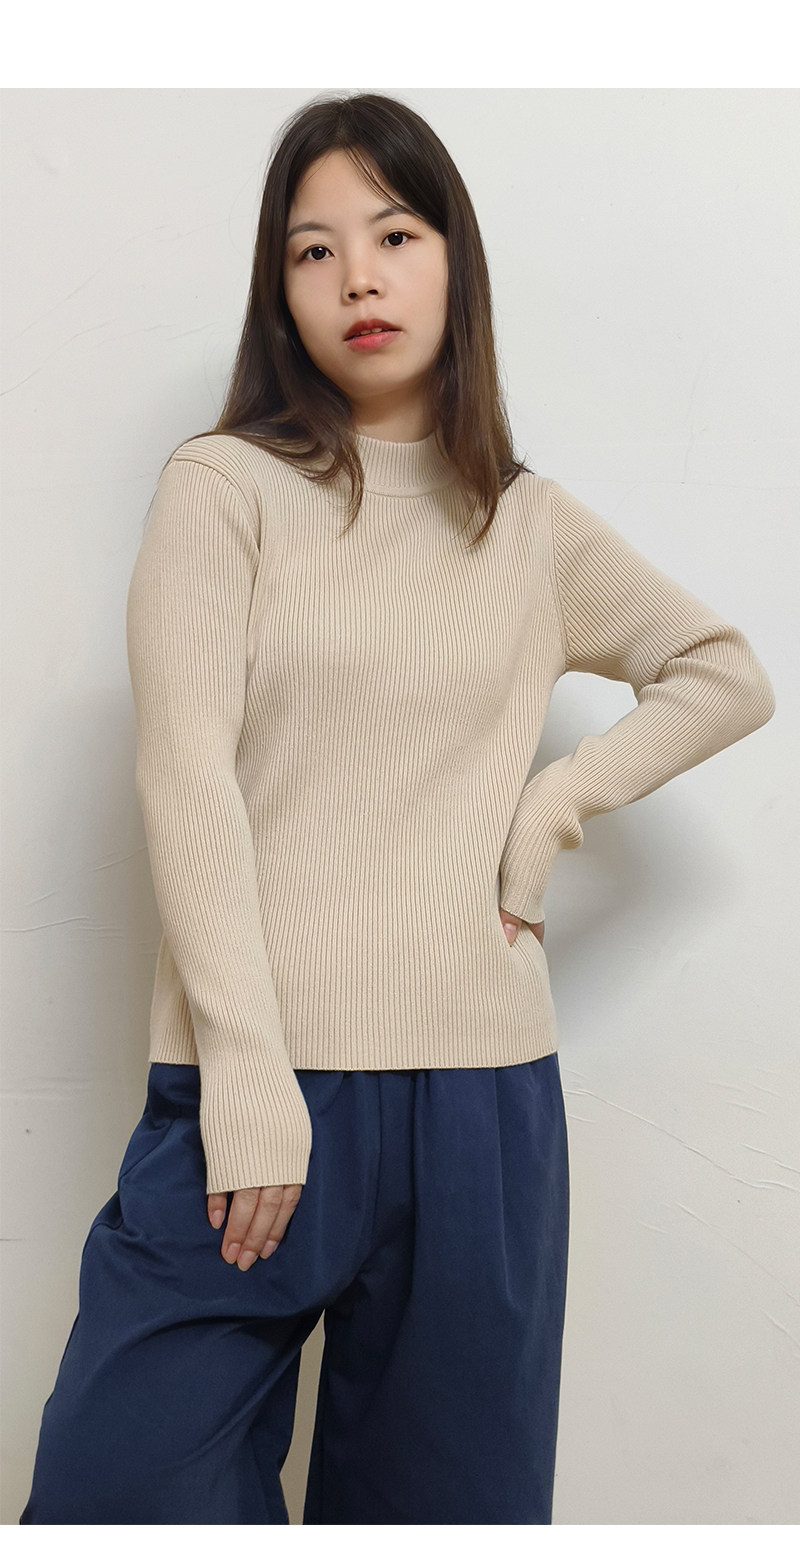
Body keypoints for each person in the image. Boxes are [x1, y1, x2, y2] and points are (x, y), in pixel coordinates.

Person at [19, 91, 775, 1527]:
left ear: (453, 262)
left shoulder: (530, 525)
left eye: (394, 233)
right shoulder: (224, 489)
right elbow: (187, 778)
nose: (357, 276)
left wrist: (553, 808)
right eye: (313, 250)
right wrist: (248, 1069)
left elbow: (722, 674)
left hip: (481, 1105)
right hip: (250, 1093)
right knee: (115, 1499)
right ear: (280, 291)